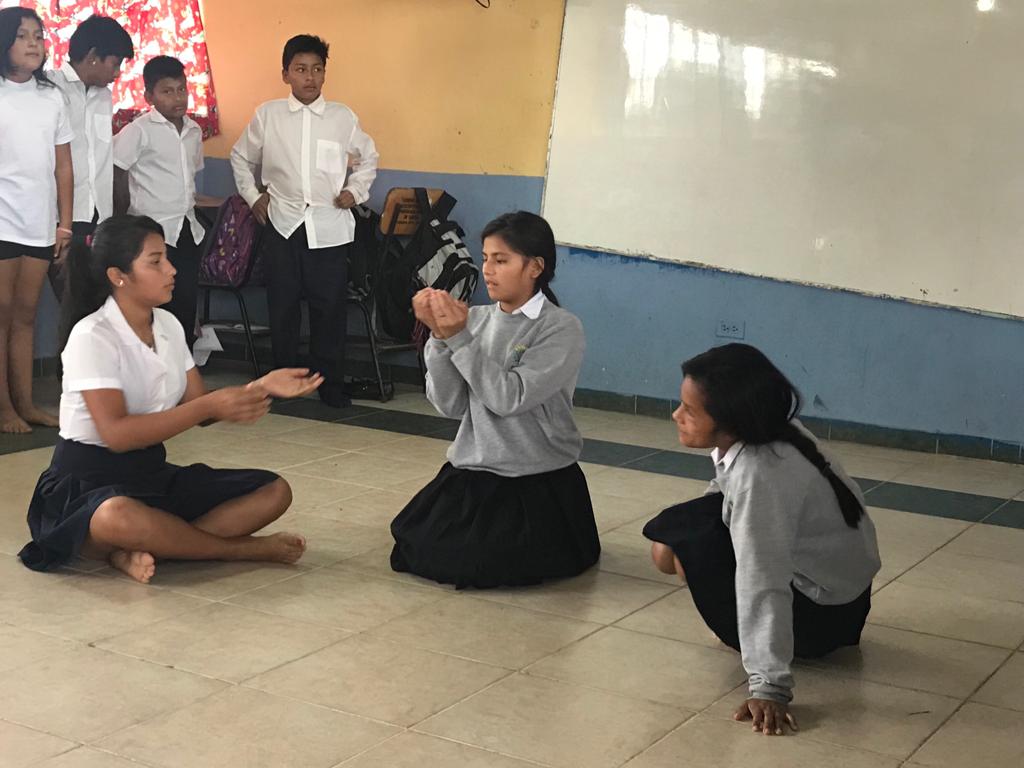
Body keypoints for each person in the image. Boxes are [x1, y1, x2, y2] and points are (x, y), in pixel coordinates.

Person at [18, 215, 322, 583]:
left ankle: (138, 548)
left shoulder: (168, 325)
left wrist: (260, 387)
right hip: (86, 483)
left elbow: (200, 406)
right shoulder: (92, 335)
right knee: (118, 515)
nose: (171, 270)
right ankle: (239, 549)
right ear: (119, 275)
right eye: (156, 261)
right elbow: (117, 435)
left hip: (150, 474)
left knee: (274, 491)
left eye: (167, 259)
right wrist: (207, 406)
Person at [643, 343, 881, 736]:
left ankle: (742, 637)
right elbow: (723, 488)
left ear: (730, 418)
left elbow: (764, 580)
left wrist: (769, 686)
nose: (676, 415)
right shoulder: (774, 431)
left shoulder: (760, 473)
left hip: (820, 621)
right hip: (849, 602)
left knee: (676, 549)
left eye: (689, 410)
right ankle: (745, 629)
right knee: (676, 530)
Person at [390, 211, 600, 588]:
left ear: (535, 267)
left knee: (488, 564)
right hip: (475, 468)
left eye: (501, 260)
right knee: (417, 549)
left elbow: (509, 398)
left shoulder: (560, 327)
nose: (487, 270)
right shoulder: (475, 319)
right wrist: (438, 336)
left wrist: (458, 338)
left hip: (535, 475)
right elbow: (451, 405)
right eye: (485, 258)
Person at [230, 33, 378, 408]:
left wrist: (355, 191)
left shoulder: (342, 117)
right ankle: (283, 384)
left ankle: (330, 386)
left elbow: (368, 158)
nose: (309, 77)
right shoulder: (268, 115)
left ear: (325, 74)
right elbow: (240, 158)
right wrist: (253, 197)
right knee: (283, 308)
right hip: (283, 225)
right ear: (286, 75)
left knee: (329, 310)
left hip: (329, 228)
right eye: (300, 69)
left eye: (317, 69)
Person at [0, 7, 73, 434]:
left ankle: (25, 404)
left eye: (39, 35)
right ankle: (4, 409)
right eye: (22, 35)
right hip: (2, 222)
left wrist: (65, 223)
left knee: (26, 316)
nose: (33, 43)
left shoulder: (51, 97)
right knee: (1, 315)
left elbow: (63, 166)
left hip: (39, 223)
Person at [114, 55, 204, 348]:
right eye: (167, 91)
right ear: (149, 96)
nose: (177, 98)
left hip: (186, 228)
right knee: (154, 305)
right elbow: (116, 170)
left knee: (185, 301)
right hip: (150, 231)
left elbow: (190, 177)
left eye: (181, 89)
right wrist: (121, 220)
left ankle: (183, 364)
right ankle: (151, 364)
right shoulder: (139, 130)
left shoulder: (194, 131)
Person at [48, 14, 134, 301]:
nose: (117, 73)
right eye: (115, 63)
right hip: (63, 216)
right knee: (70, 300)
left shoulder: (104, 96)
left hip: (99, 216)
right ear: (93, 57)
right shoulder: (51, 88)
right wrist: (62, 226)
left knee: (97, 301)